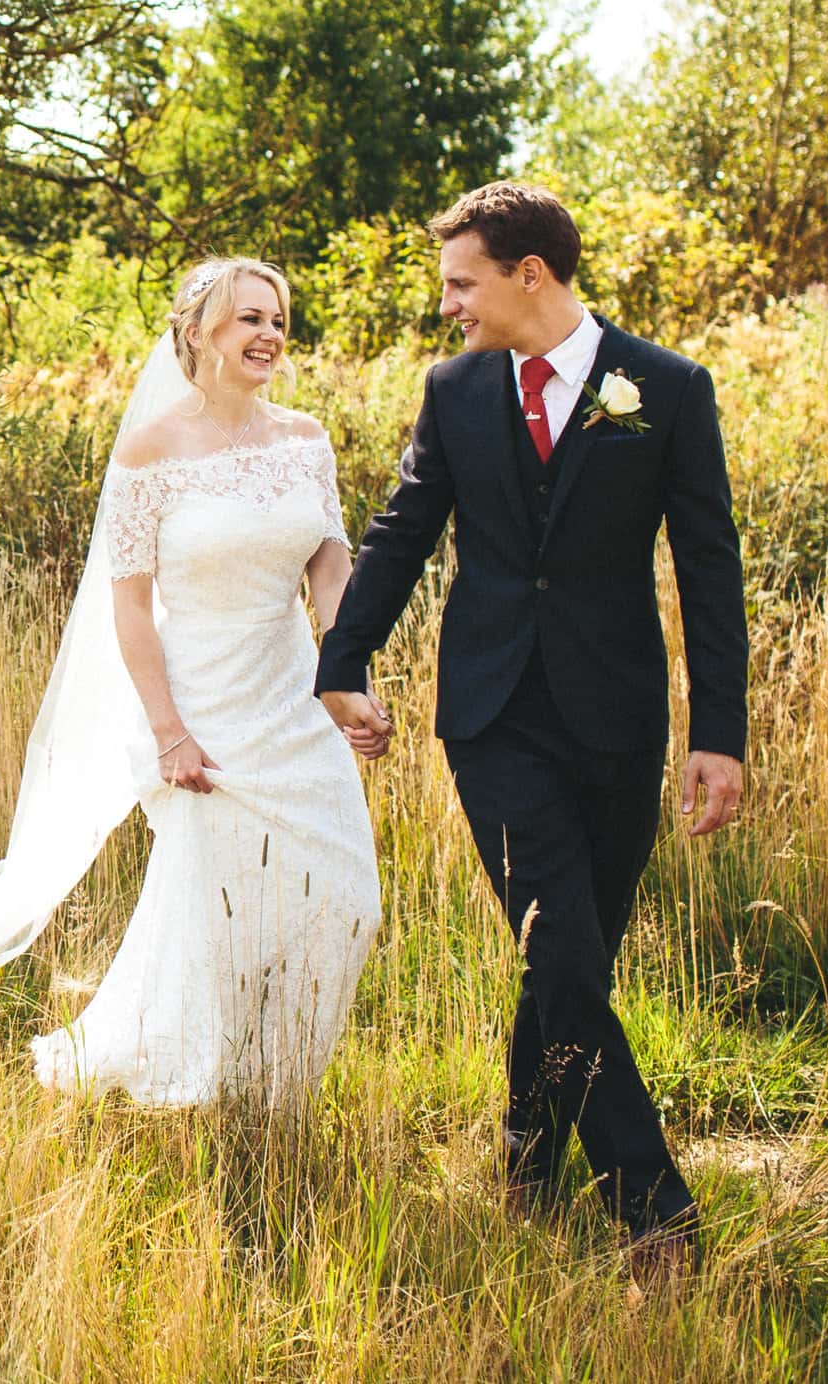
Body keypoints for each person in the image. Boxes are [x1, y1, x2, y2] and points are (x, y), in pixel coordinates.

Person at [0, 258, 382, 1109]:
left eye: (278, 318)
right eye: (249, 318)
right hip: (204, 709)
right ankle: (219, 1092)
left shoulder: (304, 440)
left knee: (349, 900)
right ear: (199, 331)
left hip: (291, 701)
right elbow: (129, 610)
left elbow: (329, 566)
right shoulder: (151, 450)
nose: (269, 334)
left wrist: (345, 676)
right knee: (216, 913)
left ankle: (276, 1079)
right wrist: (169, 730)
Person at [314, 181, 748, 1280]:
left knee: (573, 955)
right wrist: (341, 660)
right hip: (493, 712)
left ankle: (526, 1138)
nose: (449, 306)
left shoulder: (663, 388)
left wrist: (720, 731)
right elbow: (403, 529)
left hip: (617, 716)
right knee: (560, 940)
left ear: (530, 275)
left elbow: (708, 564)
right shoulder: (454, 392)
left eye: (462, 283)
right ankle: (655, 1212)